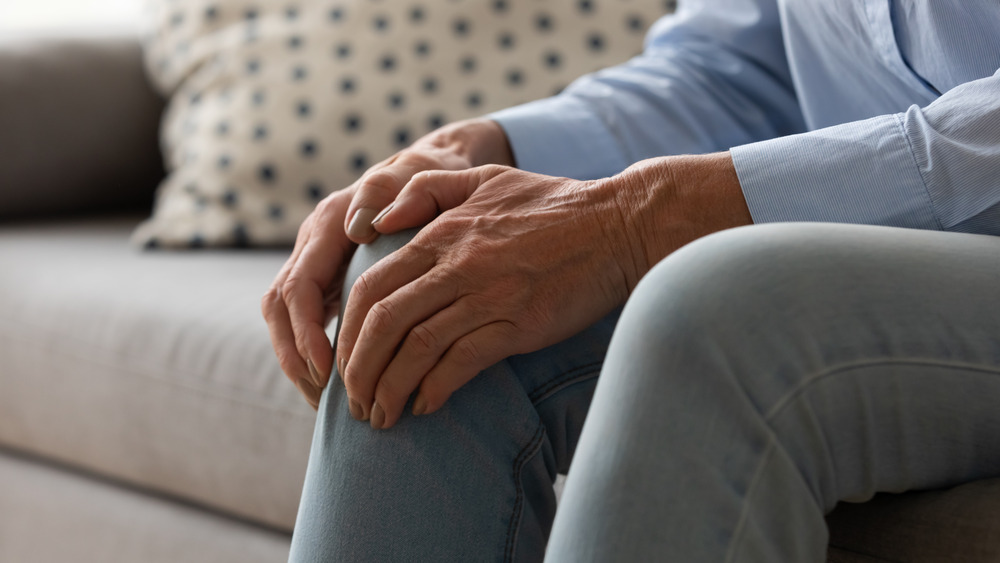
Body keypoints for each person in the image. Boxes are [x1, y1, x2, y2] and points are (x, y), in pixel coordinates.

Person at [261, 0, 1000, 560]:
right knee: (428, 265)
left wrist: (636, 220)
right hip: (866, 242)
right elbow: (735, 72)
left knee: (718, 308)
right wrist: (474, 149)